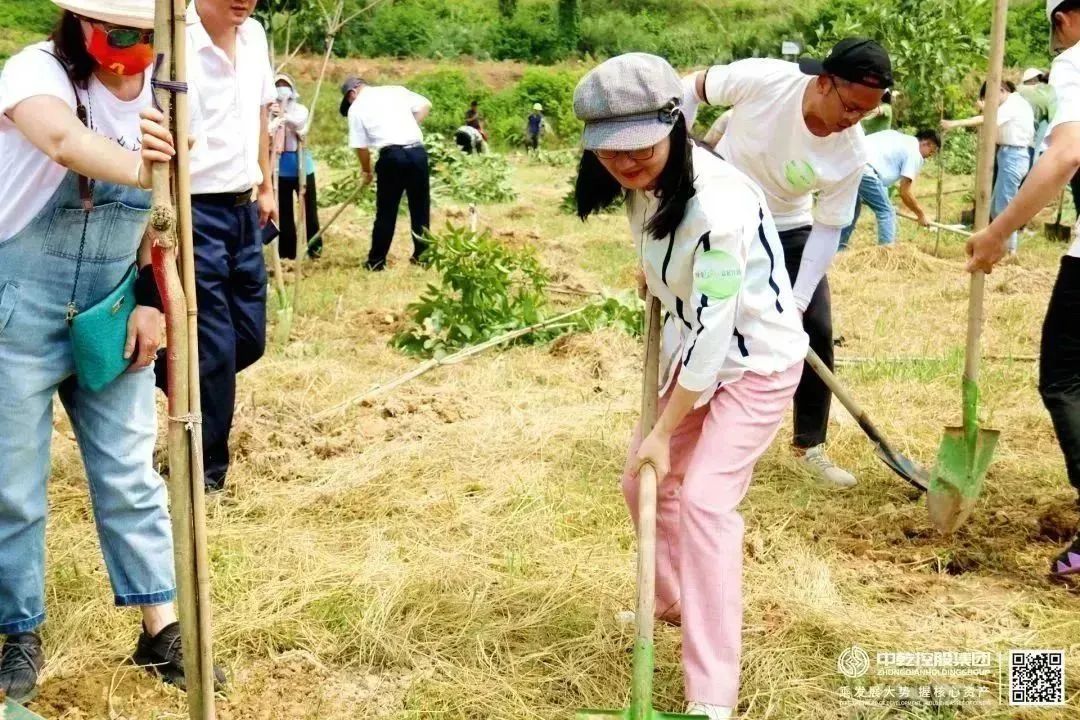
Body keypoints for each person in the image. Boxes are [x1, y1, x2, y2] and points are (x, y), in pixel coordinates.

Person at [574, 53, 808, 720]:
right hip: (695, 357)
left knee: (703, 503)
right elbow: (656, 242)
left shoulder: (720, 207)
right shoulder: (644, 181)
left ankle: (712, 696)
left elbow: (713, 343)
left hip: (753, 367)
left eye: (639, 146)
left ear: (674, 123)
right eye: (608, 151)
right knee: (640, 486)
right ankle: (673, 600)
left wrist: (661, 430)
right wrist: (651, 270)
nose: (625, 163)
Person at [0, 0, 220, 699]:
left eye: (148, 36)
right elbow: (63, 142)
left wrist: (154, 300)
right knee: (12, 485)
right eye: (120, 33)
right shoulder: (35, 73)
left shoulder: (172, 88)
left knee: (130, 472)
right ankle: (19, 631)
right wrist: (146, 164)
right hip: (17, 307)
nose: (134, 48)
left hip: (113, 305)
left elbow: (168, 215)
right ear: (81, 25)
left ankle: (162, 629)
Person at [682, 38, 891, 488]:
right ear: (823, 84)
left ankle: (809, 444)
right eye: (851, 106)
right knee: (709, 320)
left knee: (816, 325)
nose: (854, 121)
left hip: (787, 226)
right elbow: (692, 86)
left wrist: (795, 302)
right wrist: (677, 156)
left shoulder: (851, 153)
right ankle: (690, 433)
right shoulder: (766, 79)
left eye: (866, 113)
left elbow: (829, 227)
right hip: (720, 214)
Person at [966, 0, 1080, 580]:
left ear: (1064, 19)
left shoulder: (1076, 61)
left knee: (1064, 379)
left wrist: (997, 232)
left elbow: (1066, 153)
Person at [155, 0, 278, 492]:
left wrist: (267, 184)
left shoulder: (256, 36)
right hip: (194, 209)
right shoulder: (172, 39)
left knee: (248, 340)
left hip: (244, 206)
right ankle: (204, 474)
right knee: (214, 347)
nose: (243, 0)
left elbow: (262, 111)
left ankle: (157, 375)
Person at [341, 76, 432, 271]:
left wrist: (366, 170)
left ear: (352, 93)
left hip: (392, 158)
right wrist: (410, 127)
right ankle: (423, 256)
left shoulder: (356, 108)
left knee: (386, 212)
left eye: (348, 100)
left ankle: (376, 262)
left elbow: (361, 147)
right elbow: (425, 105)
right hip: (417, 153)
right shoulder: (395, 90)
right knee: (420, 208)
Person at [943, 80, 1035, 255]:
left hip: (1014, 156)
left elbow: (989, 119)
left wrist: (954, 123)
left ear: (1000, 91)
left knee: (1004, 208)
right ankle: (1004, 248)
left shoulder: (1012, 104)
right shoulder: (1013, 103)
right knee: (996, 207)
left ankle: (1010, 252)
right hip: (1009, 154)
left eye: (990, 99)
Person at [840, 129, 941, 249]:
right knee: (887, 212)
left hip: (847, 162)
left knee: (851, 211)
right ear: (926, 143)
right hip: (865, 170)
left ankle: (837, 252)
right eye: (932, 151)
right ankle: (886, 256)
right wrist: (921, 215)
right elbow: (905, 192)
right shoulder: (915, 153)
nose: (930, 156)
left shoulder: (895, 136)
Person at [271, 73, 321, 260]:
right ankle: (287, 252)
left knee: (309, 209)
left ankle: (315, 248)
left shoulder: (300, 109)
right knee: (284, 212)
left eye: (285, 84)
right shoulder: (268, 110)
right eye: (278, 84)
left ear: (292, 88)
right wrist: (274, 116)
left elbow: (300, 126)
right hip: (279, 167)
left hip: (301, 165)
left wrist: (283, 116)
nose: (282, 88)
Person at [1017, 67, 1054, 164]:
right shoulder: (1022, 96)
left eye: (1038, 80)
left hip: (1042, 145)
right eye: (1032, 81)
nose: (1036, 83)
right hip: (1029, 144)